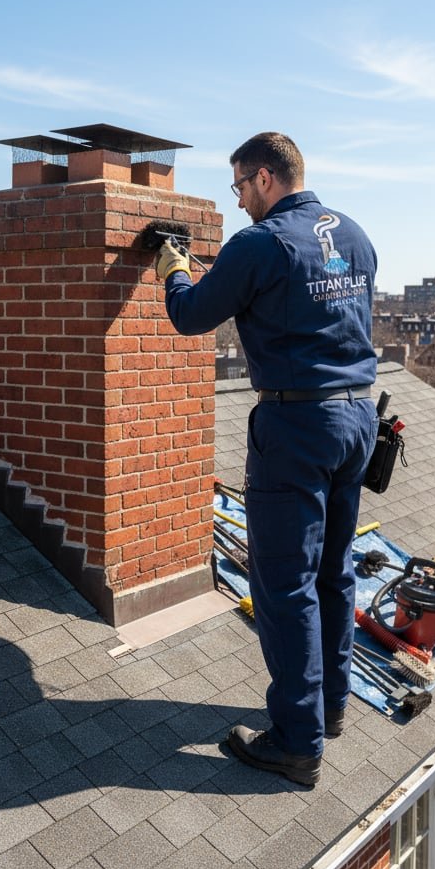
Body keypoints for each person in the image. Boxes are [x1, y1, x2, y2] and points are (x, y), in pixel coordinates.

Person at [155, 132, 378, 786]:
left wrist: (174, 264)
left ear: (263, 178)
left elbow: (193, 313)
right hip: (356, 417)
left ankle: (296, 741)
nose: (240, 201)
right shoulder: (356, 234)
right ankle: (330, 707)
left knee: (283, 585)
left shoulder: (261, 243)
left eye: (239, 188)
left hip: (298, 424)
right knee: (333, 572)